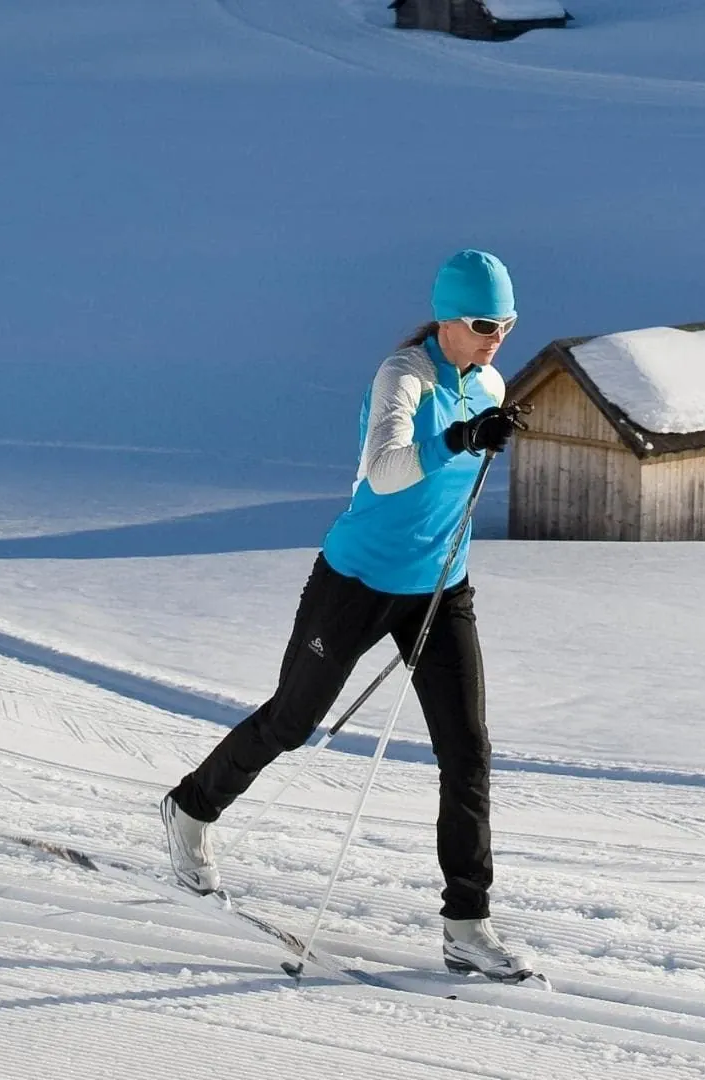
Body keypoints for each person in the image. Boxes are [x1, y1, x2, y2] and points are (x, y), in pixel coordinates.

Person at [161, 249, 531, 979]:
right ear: (449, 319)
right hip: (357, 581)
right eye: (485, 324)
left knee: (467, 751)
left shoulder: (489, 381)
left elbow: (450, 489)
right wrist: (460, 437)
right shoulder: (405, 376)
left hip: (440, 589)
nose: (497, 339)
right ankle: (191, 809)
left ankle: (467, 925)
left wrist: (479, 437)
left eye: (508, 325)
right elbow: (385, 472)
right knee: (291, 721)